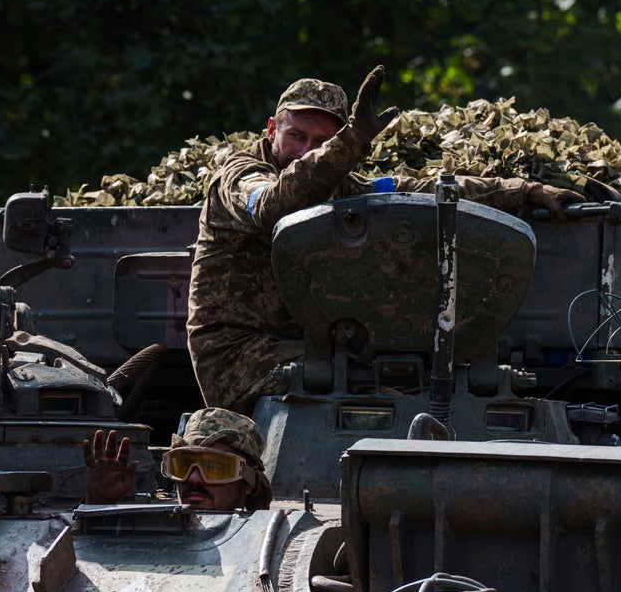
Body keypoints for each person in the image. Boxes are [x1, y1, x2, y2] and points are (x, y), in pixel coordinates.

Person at [186, 64, 586, 415]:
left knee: (409, 370)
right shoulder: (239, 177)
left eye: (321, 142)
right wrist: (349, 142)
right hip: (237, 356)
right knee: (390, 378)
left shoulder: (342, 189)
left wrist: (523, 190)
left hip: (309, 352)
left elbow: (419, 190)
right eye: (297, 136)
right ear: (272, 129)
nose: (306, 152)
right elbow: (273, 205)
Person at [82, 407, 272, 512]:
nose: (194, 479)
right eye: (183, 465)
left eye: (214, 468)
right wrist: (97, 506)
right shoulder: (154, 533)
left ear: (248, 481)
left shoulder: (267, 546)